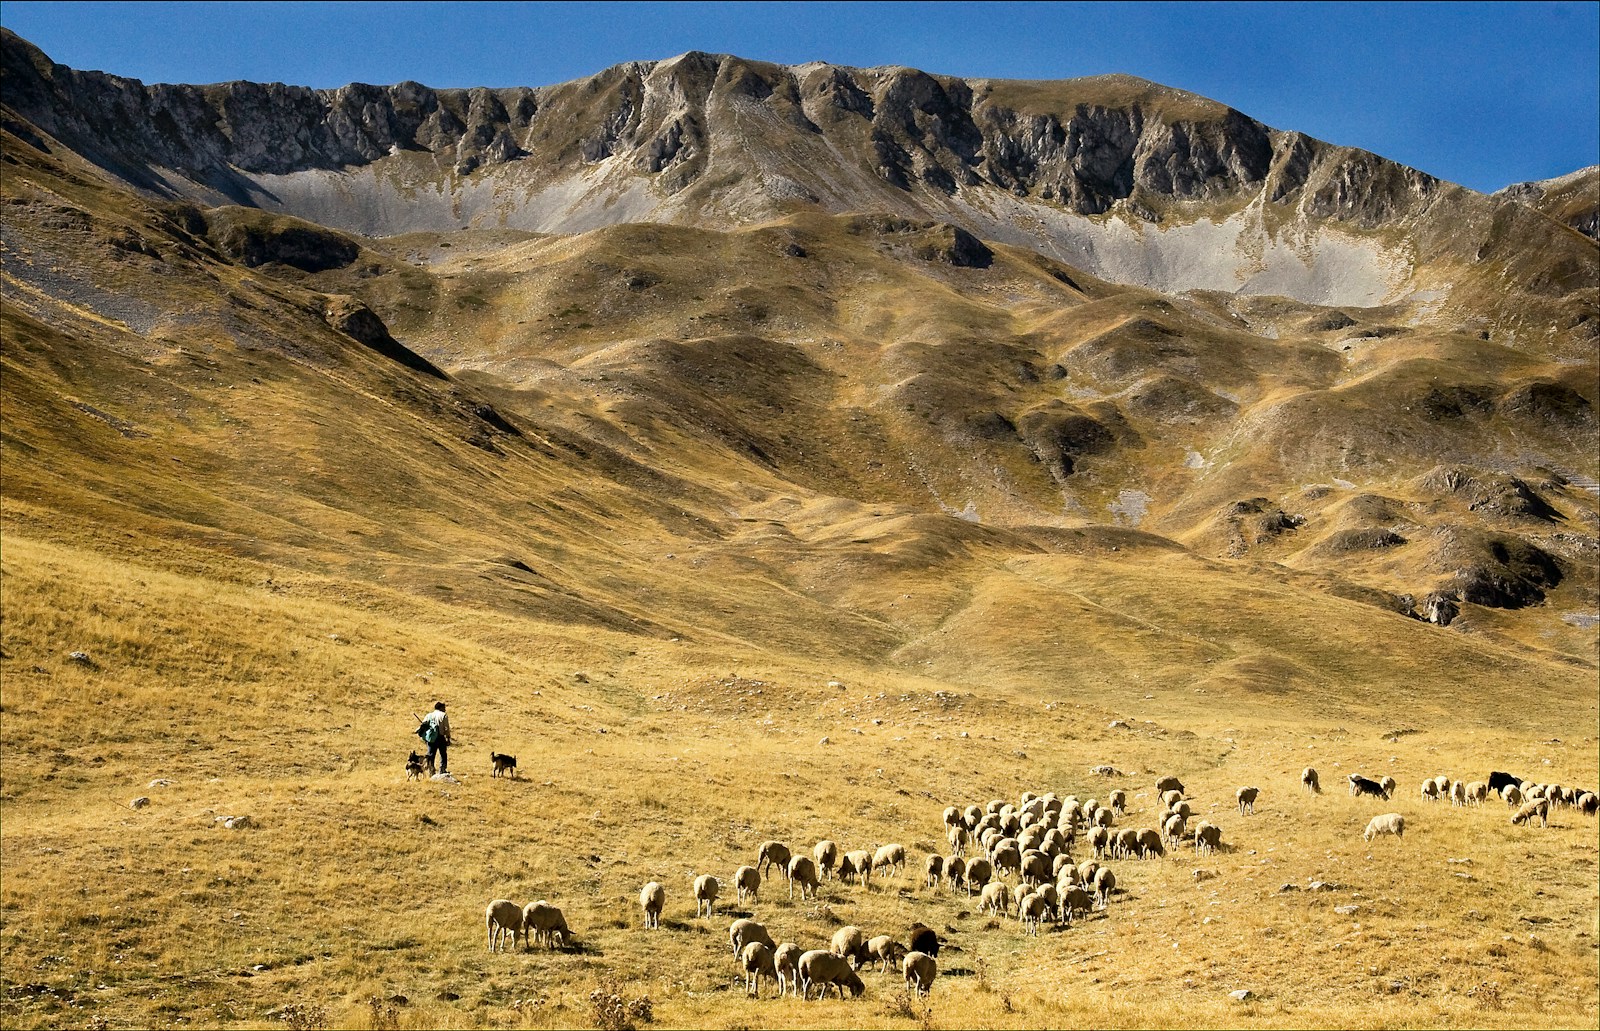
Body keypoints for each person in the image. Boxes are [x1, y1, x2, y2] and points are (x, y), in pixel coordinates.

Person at [417, 701, 452, 774]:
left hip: (431, 738)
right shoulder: (443, 715)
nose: (445, 709)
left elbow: (423, 725)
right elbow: (446, 728)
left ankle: (431, 770)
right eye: (444, 708)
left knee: (431, 755)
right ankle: (442, 769)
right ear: (440, 708)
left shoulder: (429, 715)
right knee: (443, 754)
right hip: (440, 737)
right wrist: (448, 738)